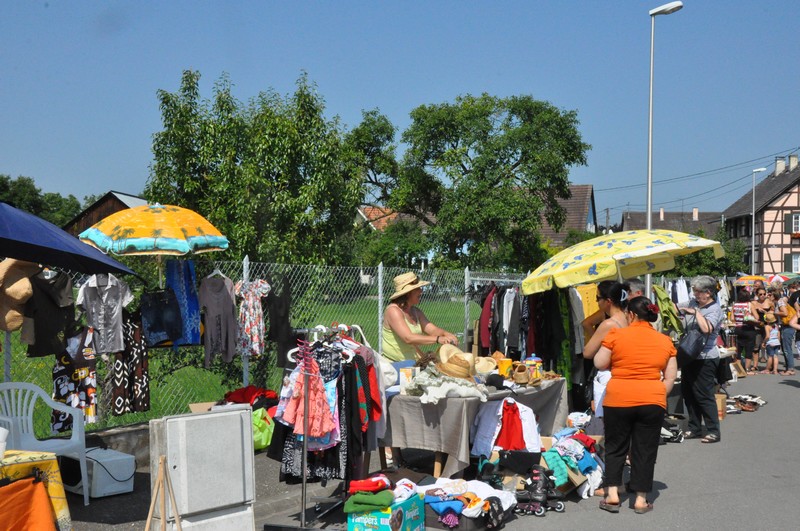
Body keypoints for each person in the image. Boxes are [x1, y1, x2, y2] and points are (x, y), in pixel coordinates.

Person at [594, 296, 677, 514]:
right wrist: (658, 392)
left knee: (615, 447)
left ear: (630, 314)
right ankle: (640, 499)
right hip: (652, 399)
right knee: (645, 449)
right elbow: (670, 377)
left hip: (619, 398)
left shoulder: (616, 335)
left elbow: (599, 363)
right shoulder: (665, 340)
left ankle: (612, 494)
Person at [676, 275, 723, 444]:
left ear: (708, 293)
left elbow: (707, 328)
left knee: (704, 395)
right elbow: (674, 308)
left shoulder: (714, 309)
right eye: (694, 291)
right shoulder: (692, 302)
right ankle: (694, 427)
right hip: (689, 355)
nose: (695, 295)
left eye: (698, 292)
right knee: (688, 394)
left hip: (705, 357)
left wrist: (696, 313)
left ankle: (713, 431)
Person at [381, 272, 459, 362]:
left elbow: (432, 330)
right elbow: (408, 338)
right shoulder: (393, 311)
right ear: (408, 293)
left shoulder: (416, 311)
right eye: (417, 288)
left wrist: (446, 334)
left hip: (413, 364)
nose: (421, 291)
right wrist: (438, 339)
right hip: (395, 367)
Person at [582, 281, 630, 418]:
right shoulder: (629, 318)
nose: (596, 302)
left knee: (607, 422)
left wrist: (597, 341)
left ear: (608, 301)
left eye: (598, 298)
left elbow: (587, 353)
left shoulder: (608, 324)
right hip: (625, 375)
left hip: (609, 376)